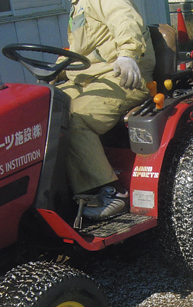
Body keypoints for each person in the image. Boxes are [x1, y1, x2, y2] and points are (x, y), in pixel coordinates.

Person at [59, 0, 155, 220]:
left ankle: (110, 192)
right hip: (87, 79)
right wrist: (55, 70)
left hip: (122, 76)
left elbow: (124, 19)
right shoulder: (78, 5)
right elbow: (84, 50)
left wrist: (128, 53)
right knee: (45, 111)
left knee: (76, 120)